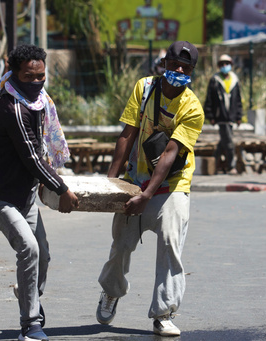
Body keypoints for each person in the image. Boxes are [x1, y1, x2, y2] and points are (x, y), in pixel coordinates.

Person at [96, 41, 204, 337]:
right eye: (174, 64)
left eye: (186, 67)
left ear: (193, 71)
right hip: (134, 178)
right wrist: (111, 183)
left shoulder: (192, 107)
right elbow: (126, 135)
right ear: (164, 62)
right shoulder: (144, 88)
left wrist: (147, 195)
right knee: (121, 243)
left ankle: (164, 313)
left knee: (170, 243)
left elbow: (170, 153)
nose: (179, 70)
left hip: (172, 185)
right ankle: (112, 292)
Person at [0, 44, 79, 341]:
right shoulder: (13, 107)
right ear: (14, 74)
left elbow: (41, 150)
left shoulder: (39, 101)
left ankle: (29, 295)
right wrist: (62, 188)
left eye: (41, 77)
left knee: (43, 255)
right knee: (29, 249)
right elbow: (32, 157)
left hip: (25, 192)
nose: (36, 83)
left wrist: (47, 180)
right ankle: (31, 325)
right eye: (28, 77)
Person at [204, 54, 243, 174]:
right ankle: (231, 166)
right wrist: (210, 115)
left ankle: (213, 161)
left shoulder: (235, 80)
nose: (224, 66)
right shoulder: (215, 80)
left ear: (231, 65)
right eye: (222, 64)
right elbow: (209, 98)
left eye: (227, 64)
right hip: (220, 116)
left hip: (231, 116)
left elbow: (238, 100)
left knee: (224, 141)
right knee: (229, 142)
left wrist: (239, 116)